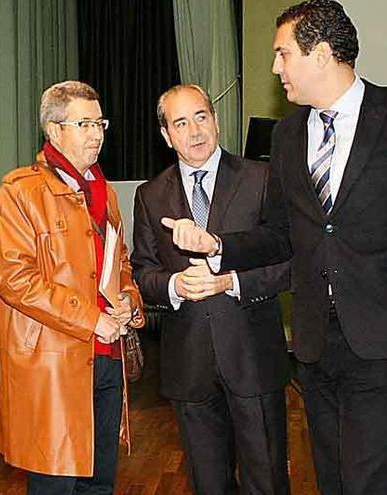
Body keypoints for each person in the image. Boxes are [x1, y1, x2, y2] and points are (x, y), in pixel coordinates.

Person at [159, 1, 387, 493]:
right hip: (312, 343)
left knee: (372, 480)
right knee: (330, 476)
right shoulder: (288, 135)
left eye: (282, 54)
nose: (274, 68)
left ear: (322, 54)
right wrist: (219, 245)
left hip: (381, 335)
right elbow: (280, 234)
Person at [131, 84, 291, 494]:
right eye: (180, 123)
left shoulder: (262, 178)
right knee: (208, 485)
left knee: (267, 482)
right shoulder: (150, 196)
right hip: (190, 368)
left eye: (201, 116)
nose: (194, 131)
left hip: (253, 358)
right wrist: (175, 285)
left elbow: (289, 263)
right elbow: (143, 273)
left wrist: (231, 281)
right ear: (166, 135)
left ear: (216, 121)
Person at [0, 80, 145, 495]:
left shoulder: (105, 192)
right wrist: (92, 319)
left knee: (100, 483)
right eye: (84, 123)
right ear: (54, 130)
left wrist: (129, 301)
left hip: (108, 360)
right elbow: (15, 278)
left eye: (100, 123)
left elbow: (122, 263)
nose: (97, 133)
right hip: (55, 366)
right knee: (57, 483)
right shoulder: (21, 190)